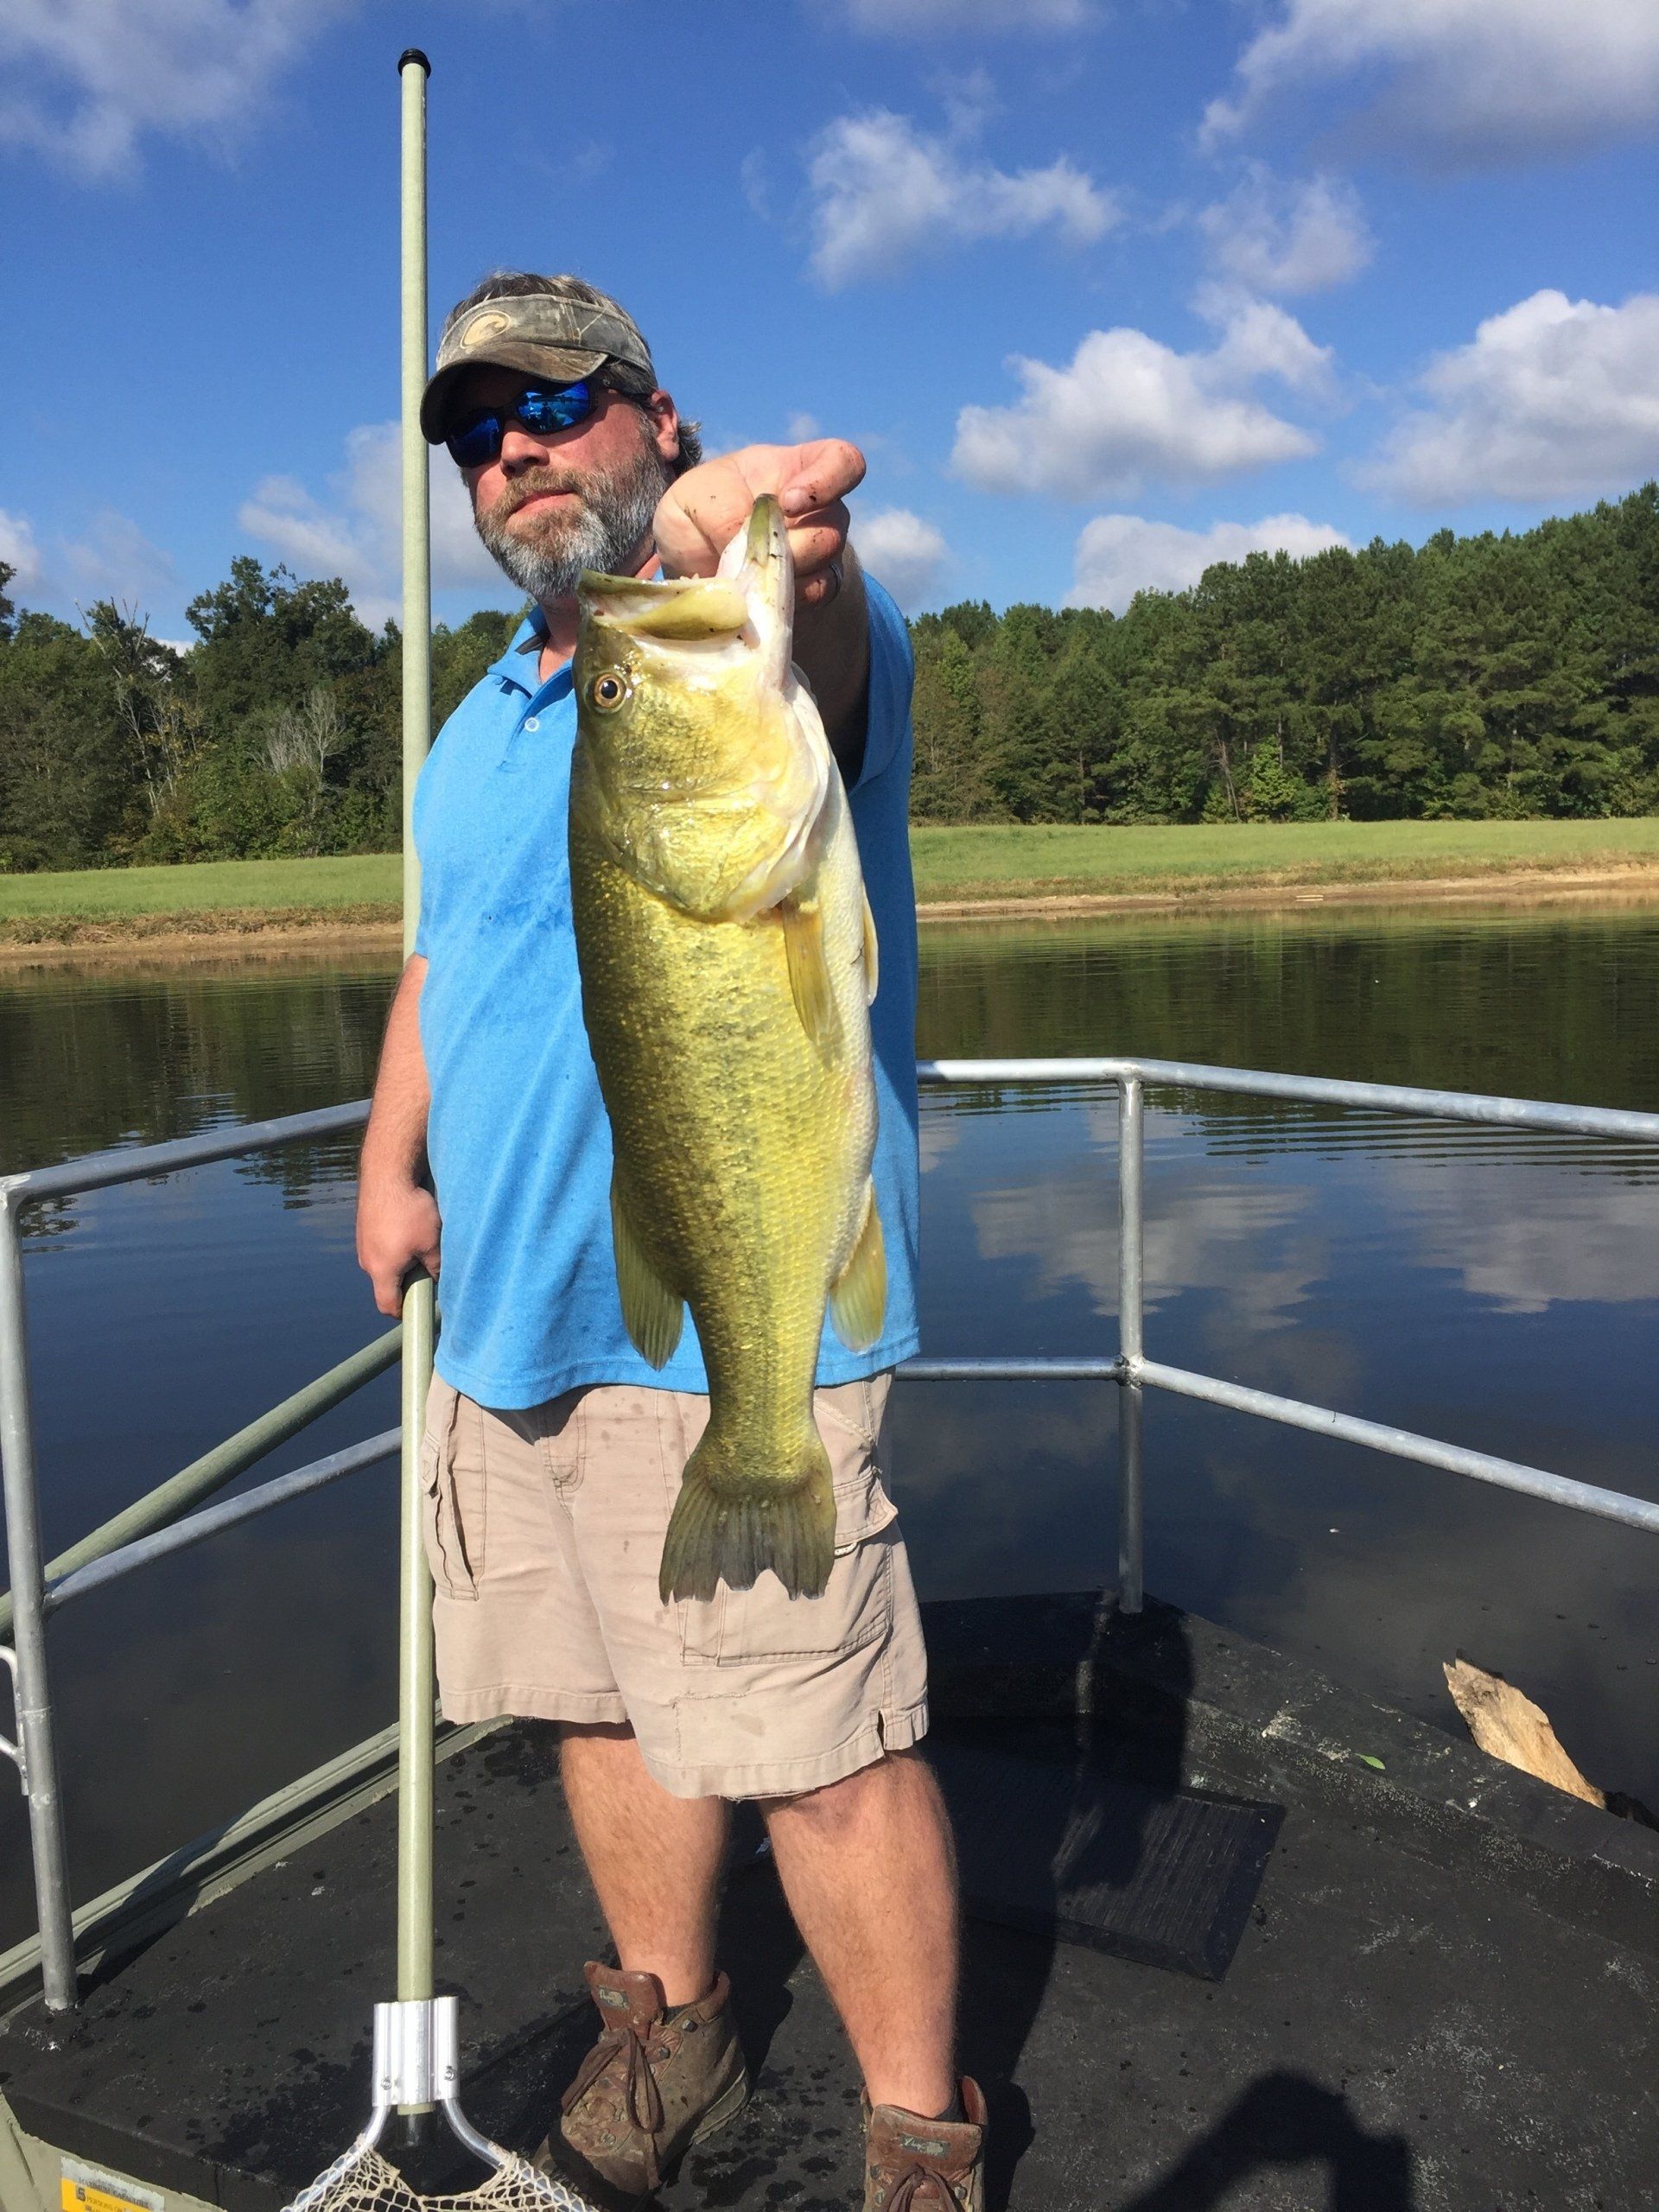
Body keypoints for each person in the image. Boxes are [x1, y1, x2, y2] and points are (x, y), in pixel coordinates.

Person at [354, 273, 985, 2212]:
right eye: (479, 430)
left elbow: (826, 594)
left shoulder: (750, 667)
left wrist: (790, 537)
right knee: (591, 1707)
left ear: (661, 420)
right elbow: (441, 954)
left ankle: (917, 2135)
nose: (515, 451)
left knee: (823, 1749)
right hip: (513, 1320)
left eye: (556, 405)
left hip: (733, 1331)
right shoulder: (477, 727)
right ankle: (676, 2029)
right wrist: (391, 1160)